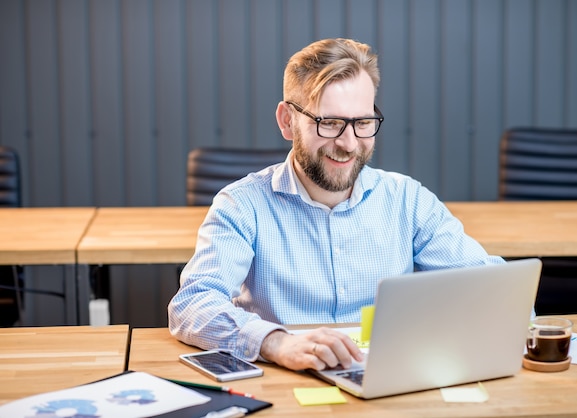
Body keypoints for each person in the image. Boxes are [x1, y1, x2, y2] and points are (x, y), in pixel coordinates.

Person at [168, 38, 504, 373]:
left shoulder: (408, 200)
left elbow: (487, 285)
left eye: (362, 123)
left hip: (383, 381)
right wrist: (276, 342)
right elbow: (193, 304)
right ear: (287, 121)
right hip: (285, 380)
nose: (348, 143)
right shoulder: (242, 205)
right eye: (328, 123)